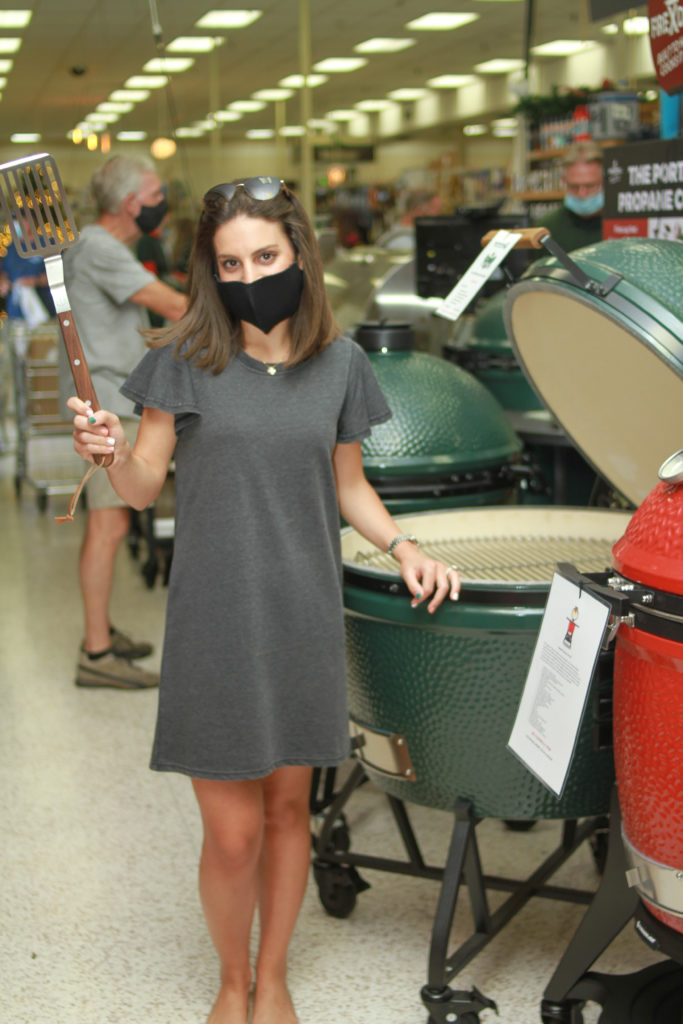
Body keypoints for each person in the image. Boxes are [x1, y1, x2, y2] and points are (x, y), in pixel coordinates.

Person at [67, 174, 461, 1024]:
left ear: (299, 254)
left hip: (302, 614)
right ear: (211, 271)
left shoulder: (341, 363)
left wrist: (403, 547)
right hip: (213, 619)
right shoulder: (182, 359)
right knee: (232, 831)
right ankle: (230, 980)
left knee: (288, 812)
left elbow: (348, 484)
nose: (250, 277)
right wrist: (106, 453)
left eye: (266, 257)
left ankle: (272, 976)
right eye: (231, 263)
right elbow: (140, 486)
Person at [58, 154, 188, 690]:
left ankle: (101, 630)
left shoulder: (100, 246)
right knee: (110, 526)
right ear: (133, 202)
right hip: (106, 402)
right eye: (156, 193)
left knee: (110, 523)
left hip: (112, 396)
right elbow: (172, 305)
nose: (162, 203)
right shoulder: (100, 247)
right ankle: (97, 651)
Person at [532, 140, 604, 252]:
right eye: (574, 186)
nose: (582, 194)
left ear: (604, 182)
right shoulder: (547, 230)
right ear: (564, 181)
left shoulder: (621, 227)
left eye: (590, 186)